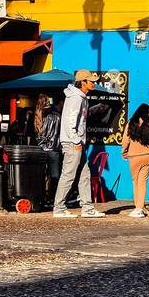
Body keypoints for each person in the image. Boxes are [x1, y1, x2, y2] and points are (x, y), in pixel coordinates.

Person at [53, 69, 105, 218]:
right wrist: (76, 140)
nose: (94, 83)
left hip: (76, 142)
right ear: (83, 82)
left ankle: (87, 208)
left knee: (84, 175)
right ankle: (59, 208)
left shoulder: (81, 97)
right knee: (68, 175)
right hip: (72, 143)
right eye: (91, 81)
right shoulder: (76, 98)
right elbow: (71, 121)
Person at [37, 95, 62, 196]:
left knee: (42, 174)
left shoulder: (44, 115)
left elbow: (42, 133)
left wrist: (41, 144)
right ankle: (53, 197)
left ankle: (42, 196)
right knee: (55, 175)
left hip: (43, 148)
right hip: (54, 148)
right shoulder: (57, 116)